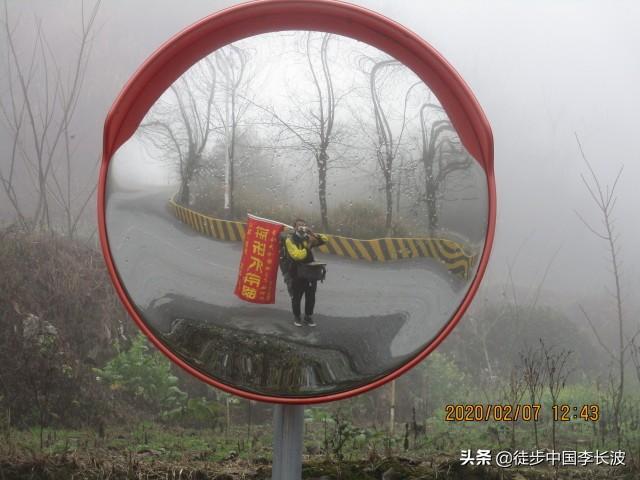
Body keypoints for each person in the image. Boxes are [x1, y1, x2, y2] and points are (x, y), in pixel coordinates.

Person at [282, 218, 328, 327]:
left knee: (311, 296)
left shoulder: (309, 237)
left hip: (310, 273)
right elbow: (297, 256)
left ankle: (308, 317)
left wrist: (312, 233)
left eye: (304, 225)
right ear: (294, 227)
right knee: (297, 296)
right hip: (297, 272)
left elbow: (325, 240)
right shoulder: (290, 240)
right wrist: (308, 246)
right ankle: (297, 317)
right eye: (299, 225)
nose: (302, 227)